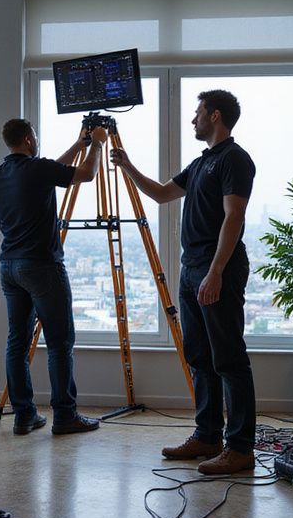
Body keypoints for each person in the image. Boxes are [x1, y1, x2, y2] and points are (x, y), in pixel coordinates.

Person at [110, 90, 257, 475]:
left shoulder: (235, 159)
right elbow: (161, 194)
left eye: (198, 113)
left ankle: (240, 448)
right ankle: (207, 436)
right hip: (191, 269)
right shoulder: (200, 163)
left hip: (214, 269)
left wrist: (216, 271)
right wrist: (127, 167)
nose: (193, 120)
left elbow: (234, 218)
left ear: (216, 115)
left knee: (229, 359)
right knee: (200, 357)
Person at [0, 117, 108, 436]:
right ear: (29, 139)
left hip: (9, 267)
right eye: (36, 137)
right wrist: (96, 143)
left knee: (17, 342)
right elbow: (87, 173)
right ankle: (66, 415)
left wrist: (77, 145)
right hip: (41, 266)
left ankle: (24, 415)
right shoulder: (38, 171)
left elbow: (48, 171)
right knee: (59, 342)